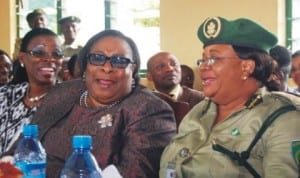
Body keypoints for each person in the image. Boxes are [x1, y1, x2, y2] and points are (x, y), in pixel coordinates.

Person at [4, 29, 177, 177]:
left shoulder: (149, 109)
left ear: (133, 69)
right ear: (85, 65)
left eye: (119, 61)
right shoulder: (63, 92)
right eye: (97, 58)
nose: (107, 68)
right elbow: (22, 147)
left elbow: (135, 173)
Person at [159, 16, 300, 178]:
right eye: (202, 60)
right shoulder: (199, 112)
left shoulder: (283, 119)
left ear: (246, 66)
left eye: (213, 59)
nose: (203, 67)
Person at [0, 28, 63, 154]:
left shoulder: (68, 101)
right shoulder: (4, 95)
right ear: (22, 58)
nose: (49, 59)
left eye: (56, 54)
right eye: (39, 53)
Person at [147, 51, 205, 125]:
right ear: (149, 76)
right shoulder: (143, 103)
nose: (170, 69)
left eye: (174, 64)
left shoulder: (201, 100)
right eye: (161, 66)